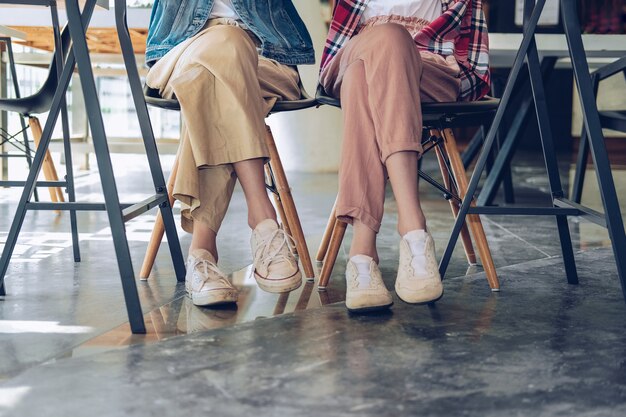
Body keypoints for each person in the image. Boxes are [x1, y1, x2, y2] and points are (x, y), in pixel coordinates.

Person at [320, 0, 490, 312]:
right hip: (355, 52)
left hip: (430, 68)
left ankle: (362, 254)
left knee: (364, 77)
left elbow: (472, 57)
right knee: (386, 39)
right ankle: (413, 229)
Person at [145, 0, 315, 306]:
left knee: (208, 86)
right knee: (223, 48)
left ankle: (202, 252)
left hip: (267, 59)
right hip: (184, 53)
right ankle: (263, 218)